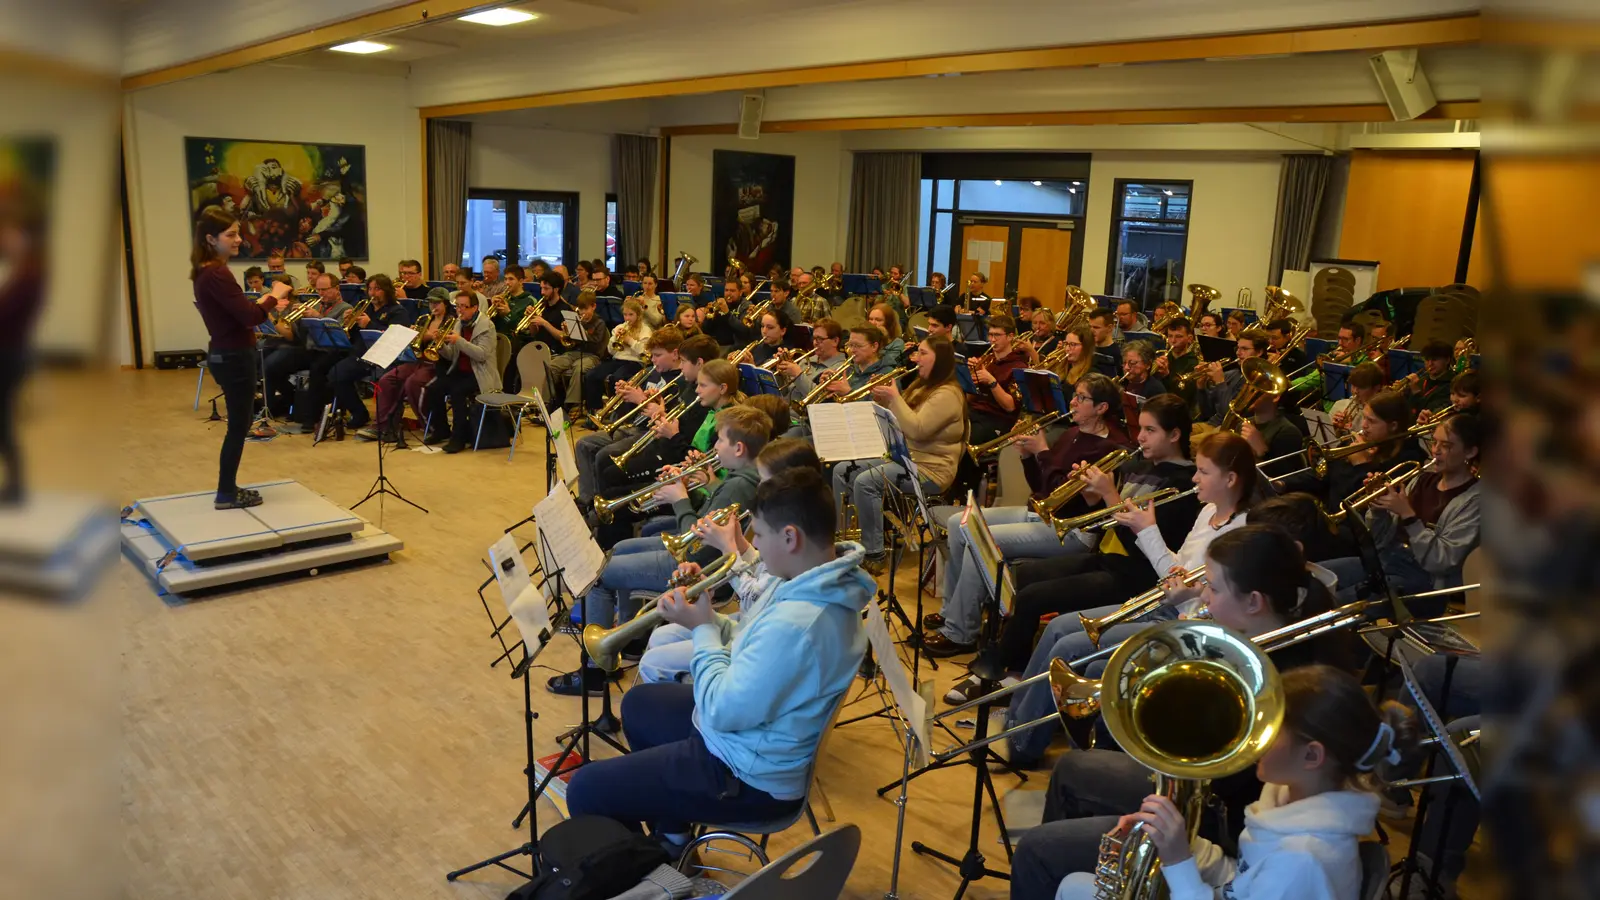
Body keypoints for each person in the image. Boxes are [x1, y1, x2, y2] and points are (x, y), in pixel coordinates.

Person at [1009, 531, 1364, 900]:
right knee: (1072, 769)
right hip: (1219, 813)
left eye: (1212, 587)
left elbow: (1227, 776)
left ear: (1254, 601)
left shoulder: (1285, 682)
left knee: (1037, 851)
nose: (1204, 597)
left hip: (1218, 818)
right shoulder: (1245, 645)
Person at [564, 467, 873, 851]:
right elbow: (752, 639)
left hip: (745, 774)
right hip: (749, 738)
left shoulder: (801, 623)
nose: (753, 545)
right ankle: (672, 836)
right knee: (641, 704)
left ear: (790, 537)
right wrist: (708, 617)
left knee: (585, 790)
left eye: (759, 535)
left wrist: (703, 629)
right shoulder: (814, 578)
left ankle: (642, 869)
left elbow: (720, 711)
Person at [1051, 665, 1412, 900]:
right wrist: (1177, 841)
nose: (1251, 737)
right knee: (1072, 887)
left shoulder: (1302, 862)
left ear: (1312, 756)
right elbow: (1238, 882)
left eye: (1269, 730)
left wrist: (1177, 860)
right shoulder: (1292, 798)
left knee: (1071, 888)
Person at [992, 431, 1257, 701]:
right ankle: (1017, 697)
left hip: (1179, 619)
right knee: (1057, 626)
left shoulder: (1242, 531)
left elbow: (1214, 601)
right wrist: (1148, 532)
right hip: (1160, 601)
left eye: (1203, 472)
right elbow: (1175, 568)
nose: (1194, 478)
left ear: (1230, 479)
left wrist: (1147, 532)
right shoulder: (1208, 512)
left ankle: (1021, 722)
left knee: (1068, 643)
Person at [928, 393, 1192, 662]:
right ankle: (989, 649)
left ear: (1174, 435)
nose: (1141, 438)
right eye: (1141, 429)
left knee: (1031, 596)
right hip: (1105, 558)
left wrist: (1110, 496)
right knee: (1013, 578)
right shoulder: (1140, 467)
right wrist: (1092, 496)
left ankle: (1004, 671)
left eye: (1150, 430)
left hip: (1135, 575)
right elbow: (1102, 522)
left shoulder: (1182, 485)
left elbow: (1144, 550)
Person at [552, 404, 770, 695]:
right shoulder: (739, 478)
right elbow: (709, 518)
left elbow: (696, 542)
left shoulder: (738, 487)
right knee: (617, 548)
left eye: (720, 440)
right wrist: (704, 482)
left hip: (694, 565)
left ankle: (594, 673)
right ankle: (630, 639)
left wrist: (679, 498)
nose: (714, 446)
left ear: (739, 448)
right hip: (691, 552)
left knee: (598, 575)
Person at [636, 438, 825, 684]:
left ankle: (691, 695)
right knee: (661, 637)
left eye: (765, 481)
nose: (760, 489)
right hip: (747, 623)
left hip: (751, 637)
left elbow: (756, 595)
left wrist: (729, 549)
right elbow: (763, 568)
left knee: (652, 663)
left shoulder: (793, 534)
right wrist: (740, 543)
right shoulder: (788, 525)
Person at [833, 334, 967, 573]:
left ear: (941, 360)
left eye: (923, 353)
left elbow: (917, 429)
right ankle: (845, 540)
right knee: (842, 470)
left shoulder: (948, 394)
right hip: (906, 459)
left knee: (866, 482)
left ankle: (874, 553)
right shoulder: (922, 386)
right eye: (917, 352)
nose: (916, 358)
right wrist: (884, 401)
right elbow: (900, 420)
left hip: (930, 470)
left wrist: (894, 398)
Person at [190, 209, 293, 509]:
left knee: (239, 422)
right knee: (238, 425)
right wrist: (273, 294)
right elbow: (249, 317)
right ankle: (226, 492)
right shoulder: (217, 273)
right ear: (210, 239)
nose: (238, 239)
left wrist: (260, 302)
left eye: (238, 233)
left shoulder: (206, 270)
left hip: (227, 353)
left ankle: (228, 488)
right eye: (230, 235)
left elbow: (237, 313)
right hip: (234, 356)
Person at [593, 353, 740, 545]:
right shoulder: (710, 410)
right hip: (684, 472)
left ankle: (611, 552)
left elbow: (706, 463)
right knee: (613, 485)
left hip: (696, 492)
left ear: (722, 388)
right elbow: (694, 453)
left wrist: (674, 437)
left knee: (618, 501)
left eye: (703, 386)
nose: (697, 390)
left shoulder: (725, 424)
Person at [1365, 412, 1481, 603]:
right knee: (1323, 577)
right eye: (1435, 442)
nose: (1436, 451)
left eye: (1447, 446)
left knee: (1341, 598)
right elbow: (1378, 540)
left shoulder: (1476, 502)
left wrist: (1408, 516)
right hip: (1389, 561)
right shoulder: (1422, 478)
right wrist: (1378, 507)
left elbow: (1441, 561)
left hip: (1427, 583)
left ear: (1470, 452)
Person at [575, 326, 684, 509]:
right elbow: (627, 413)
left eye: (657, 355)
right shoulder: (651, 372)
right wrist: (625, 395)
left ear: (674, 354)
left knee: (604, 455)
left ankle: (601, 507)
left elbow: (670, 418)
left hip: (651, 434)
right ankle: (587, 500)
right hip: (632, 426)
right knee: (584, 445)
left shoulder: (680, 381)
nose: (653, 360)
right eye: (652, 355)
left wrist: (641, 399)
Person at [360, 287, 452, 443]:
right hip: (417, 360)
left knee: (413, 383)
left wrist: (431, 337)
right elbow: (413, 343)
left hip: (438, 364)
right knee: (387, 379)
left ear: (446, 303)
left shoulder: (451, 321)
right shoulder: (424, 319)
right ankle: (383, 426)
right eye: (430, 303)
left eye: (437, 303)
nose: (433, 306)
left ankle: (431, 426)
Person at [327, 273, 412, 431]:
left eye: (377, 289)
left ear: (387, 290)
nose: (372, 293)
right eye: (370, 289)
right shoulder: (365, 307)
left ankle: (386, 422)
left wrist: (369, 324)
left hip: (384, 358)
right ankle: (359, 412)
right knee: (335, 374)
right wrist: (349, 324)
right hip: (361, 355)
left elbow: (395, 338)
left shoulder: (398, 311)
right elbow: (353, 337)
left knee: (384, 381)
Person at [272, 272, 352, 435]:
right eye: (318, 290)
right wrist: (296, 319)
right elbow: (300, 336)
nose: (321, 293)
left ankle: (311, 418)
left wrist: (318, 317)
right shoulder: (315, 304)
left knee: (317, 370)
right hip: (311, 349)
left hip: (333, 351)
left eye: (325, 290)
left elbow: (342, 334)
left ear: (336, 289)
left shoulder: (346, 308)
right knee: (274, 365)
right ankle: (292, 403)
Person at [423, 291, 501, 453]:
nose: (460, 310)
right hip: (460, 370)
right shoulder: (459, 323)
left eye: (464, 307)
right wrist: (441, 344)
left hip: (480, 373)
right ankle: (441, 429)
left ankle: (458, 438)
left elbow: (481, 355)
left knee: (457, 391)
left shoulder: (487, 326)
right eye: (457, 306)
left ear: (475, 307)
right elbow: (452, 355)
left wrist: (459, 341)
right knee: (433, 388)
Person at [538, 290, 610, 421]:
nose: (582, 313)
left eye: (585, 309)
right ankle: (547, 404)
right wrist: (567, 332)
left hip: (593, 355)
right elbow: (569, 345)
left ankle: (572, 405)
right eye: (580, 309)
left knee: (579, 368)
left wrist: (579, 331)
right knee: (552, 365)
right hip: (574, 353)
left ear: (593, 306)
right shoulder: (576, 320)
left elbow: (596, 345)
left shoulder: (599, 323)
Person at [967, 314, 1030, 447]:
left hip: (996, 419)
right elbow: (970, 399)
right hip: (974, 413)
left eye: (997, 335)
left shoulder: (1020, 367)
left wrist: (991, 382)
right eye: (990, 335)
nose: (992, 340)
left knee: (969, 435)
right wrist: (971, 377)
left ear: (1010, 336)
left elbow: (1011, 407)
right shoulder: (988, 360)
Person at [584, 298, 653, 413]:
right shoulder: (620, 327)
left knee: (616, 379)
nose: (627, 318)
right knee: (592, 375)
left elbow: (644, 352)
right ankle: (595, 410)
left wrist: (629, 340)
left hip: (635, 362)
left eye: (631, 314)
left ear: (638, 314)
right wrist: (615, 338)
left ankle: (615, 412)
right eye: (625, 315)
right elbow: (611, 351)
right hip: (617, 360)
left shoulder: (645, 330)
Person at [1395, 340, 1455, 419]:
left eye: (1434, 359)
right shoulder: (1423, 379)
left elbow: (1427, 412)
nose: (1430, 364)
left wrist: (1416, 392)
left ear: (1447, 360)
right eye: (1427, 359)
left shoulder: (1452, 384)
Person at [1329, 362, 1384, 440]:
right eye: (1353, 385)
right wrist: (1334, 429)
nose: (1355, 391)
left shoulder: (1380, 414)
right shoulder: (1339, 405)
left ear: (1376, 388)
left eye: (1361, 387)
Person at [1049, 321, 1097, 390]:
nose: (1067, 349)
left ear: (1085, 347)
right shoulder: (1064, 367)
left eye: (1072, 344)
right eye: (1066, 344)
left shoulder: (1091, 375)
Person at [867, 302, 907, 367]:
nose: (873, 323)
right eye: (870, 319)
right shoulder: (865, 339)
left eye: (878, 320)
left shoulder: (897, 343)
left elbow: (885, 365)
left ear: (888, 323)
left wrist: (884, 339)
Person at [1086, 310, 1122, 378]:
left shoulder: (1117, 354)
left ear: (1110, 328)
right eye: (1090, 327)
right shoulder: (1086, 347)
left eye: (1096, 327)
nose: (1091, 330)